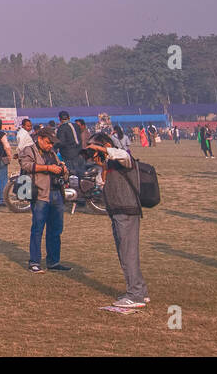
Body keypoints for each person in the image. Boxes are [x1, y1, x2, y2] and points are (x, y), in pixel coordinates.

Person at [84, 134, 148, 308]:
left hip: (126, 211)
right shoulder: (107, 164)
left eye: (94, 148)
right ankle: (140, 289)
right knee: (125, 252)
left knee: (128, 253)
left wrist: (102, 150)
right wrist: (102, 166)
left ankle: (135, 295)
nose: (93, 153)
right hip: (116, 212)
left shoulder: (123, 157)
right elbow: (101, 184)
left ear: (105, 145)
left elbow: (123, 155)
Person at [18, 128, 70, 274]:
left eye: (52, 143)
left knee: (55, 230)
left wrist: (63, 169)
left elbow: (59, 166)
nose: (50, 146)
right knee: (37, 230)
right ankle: (34, 262)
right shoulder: (29, 150)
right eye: (48, 142)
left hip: (56, 194)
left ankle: (53, 261)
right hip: (40, 195)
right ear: (40, 138)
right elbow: (26, 165)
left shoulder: (52, 153)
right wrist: (48, 168)